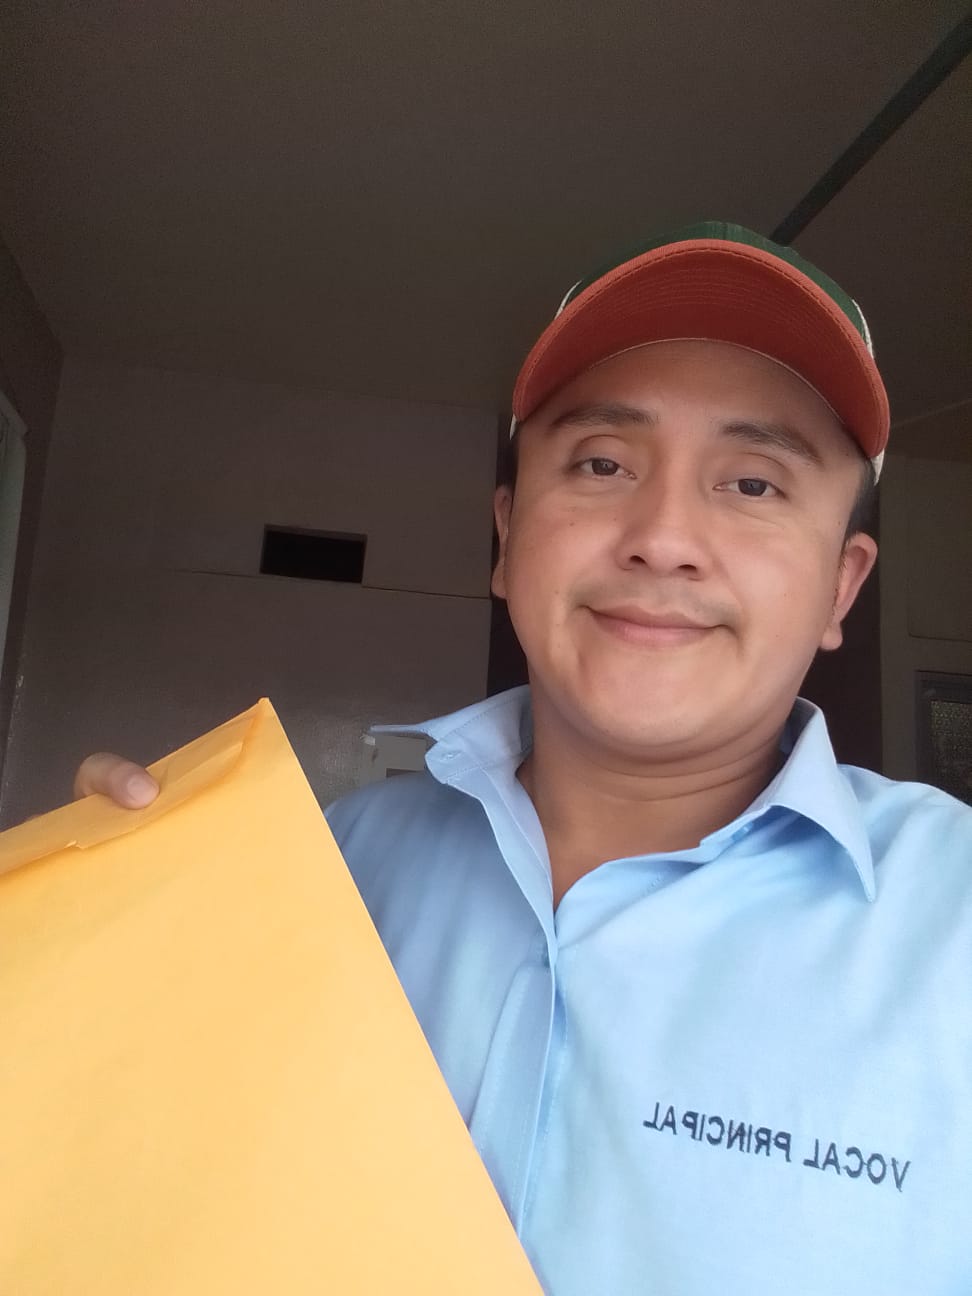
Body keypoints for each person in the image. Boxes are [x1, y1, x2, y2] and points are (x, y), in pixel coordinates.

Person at [74, 223, 972, 1294]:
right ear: (507, 538)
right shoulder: (320, 876)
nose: (663, 536)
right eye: (602, 463)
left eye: (753, 485)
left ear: (841, 586)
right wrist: (80, 941)